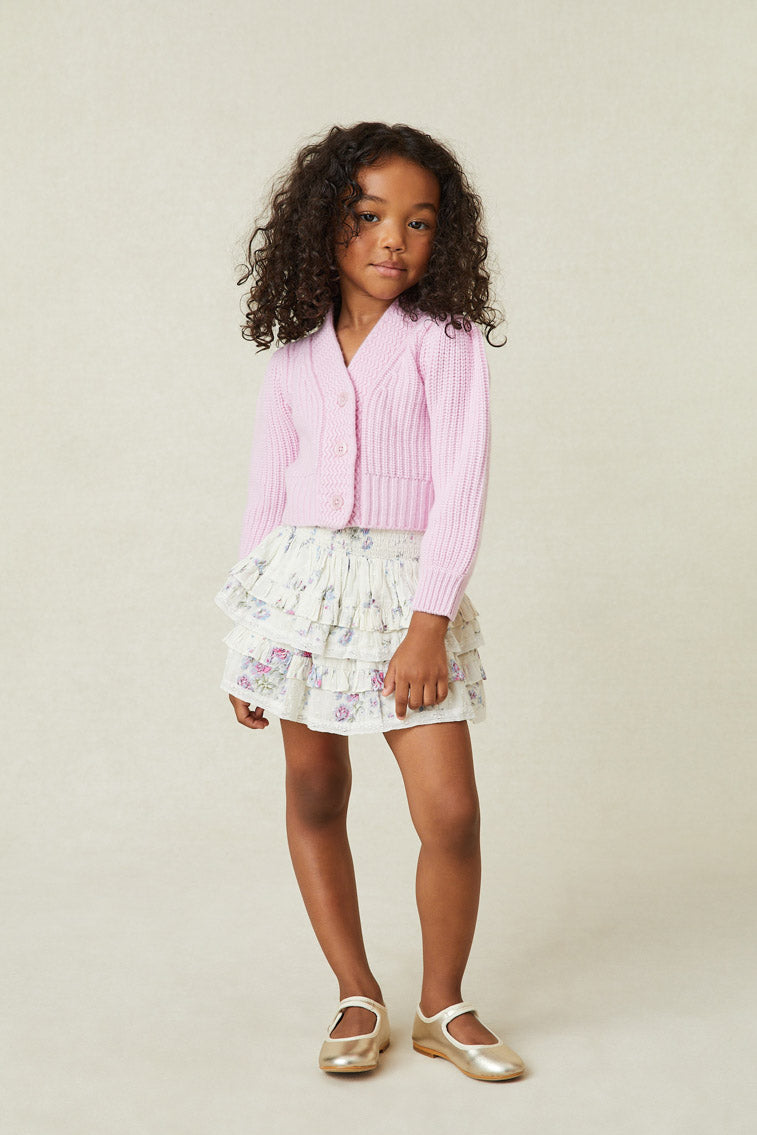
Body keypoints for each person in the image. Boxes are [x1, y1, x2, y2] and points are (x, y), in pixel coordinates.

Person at [214, 121, 526, 1081]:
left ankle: (442, 1004)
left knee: (450, 813)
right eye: (368, 216)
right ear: (324, 223)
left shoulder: (444, 341)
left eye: (419, 222)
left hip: (405, 594)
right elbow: (267, 495)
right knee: (315, 792)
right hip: (300, 595)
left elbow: (461, 485)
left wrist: (428, 621)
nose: (394, 239)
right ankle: (355, 990)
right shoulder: (295, 353)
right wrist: (251, 641)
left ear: (443, 238)